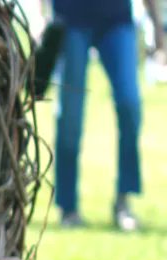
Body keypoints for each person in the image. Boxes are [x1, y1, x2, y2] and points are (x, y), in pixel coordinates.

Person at [52, 0, 165, 230]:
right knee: (70, 117)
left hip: (117, 21)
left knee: (129, 104)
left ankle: (124, 201)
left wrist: (156, 24)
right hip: (71, 19)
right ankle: (68, 207)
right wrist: (42, 16)